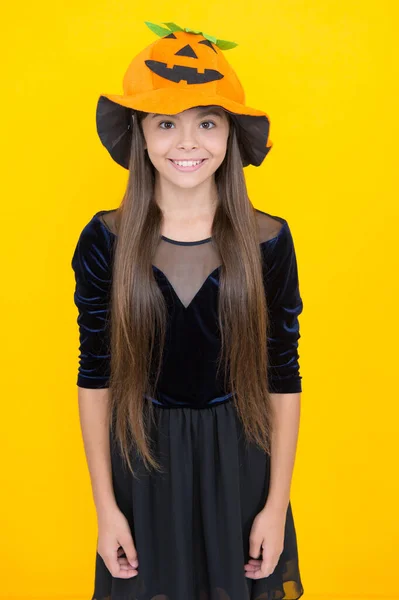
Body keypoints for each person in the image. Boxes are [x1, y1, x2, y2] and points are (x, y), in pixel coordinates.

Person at [71, 21, 305, 600]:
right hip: (143, 464)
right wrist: (106, 508)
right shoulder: (107, 239)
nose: (187, 143)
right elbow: (94, 373)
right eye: (165, 124)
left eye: (206, 122)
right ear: (140, 136)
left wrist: (274, 507)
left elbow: (284, 375)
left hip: (241, 465)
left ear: (228, 135)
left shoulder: (268, 241)